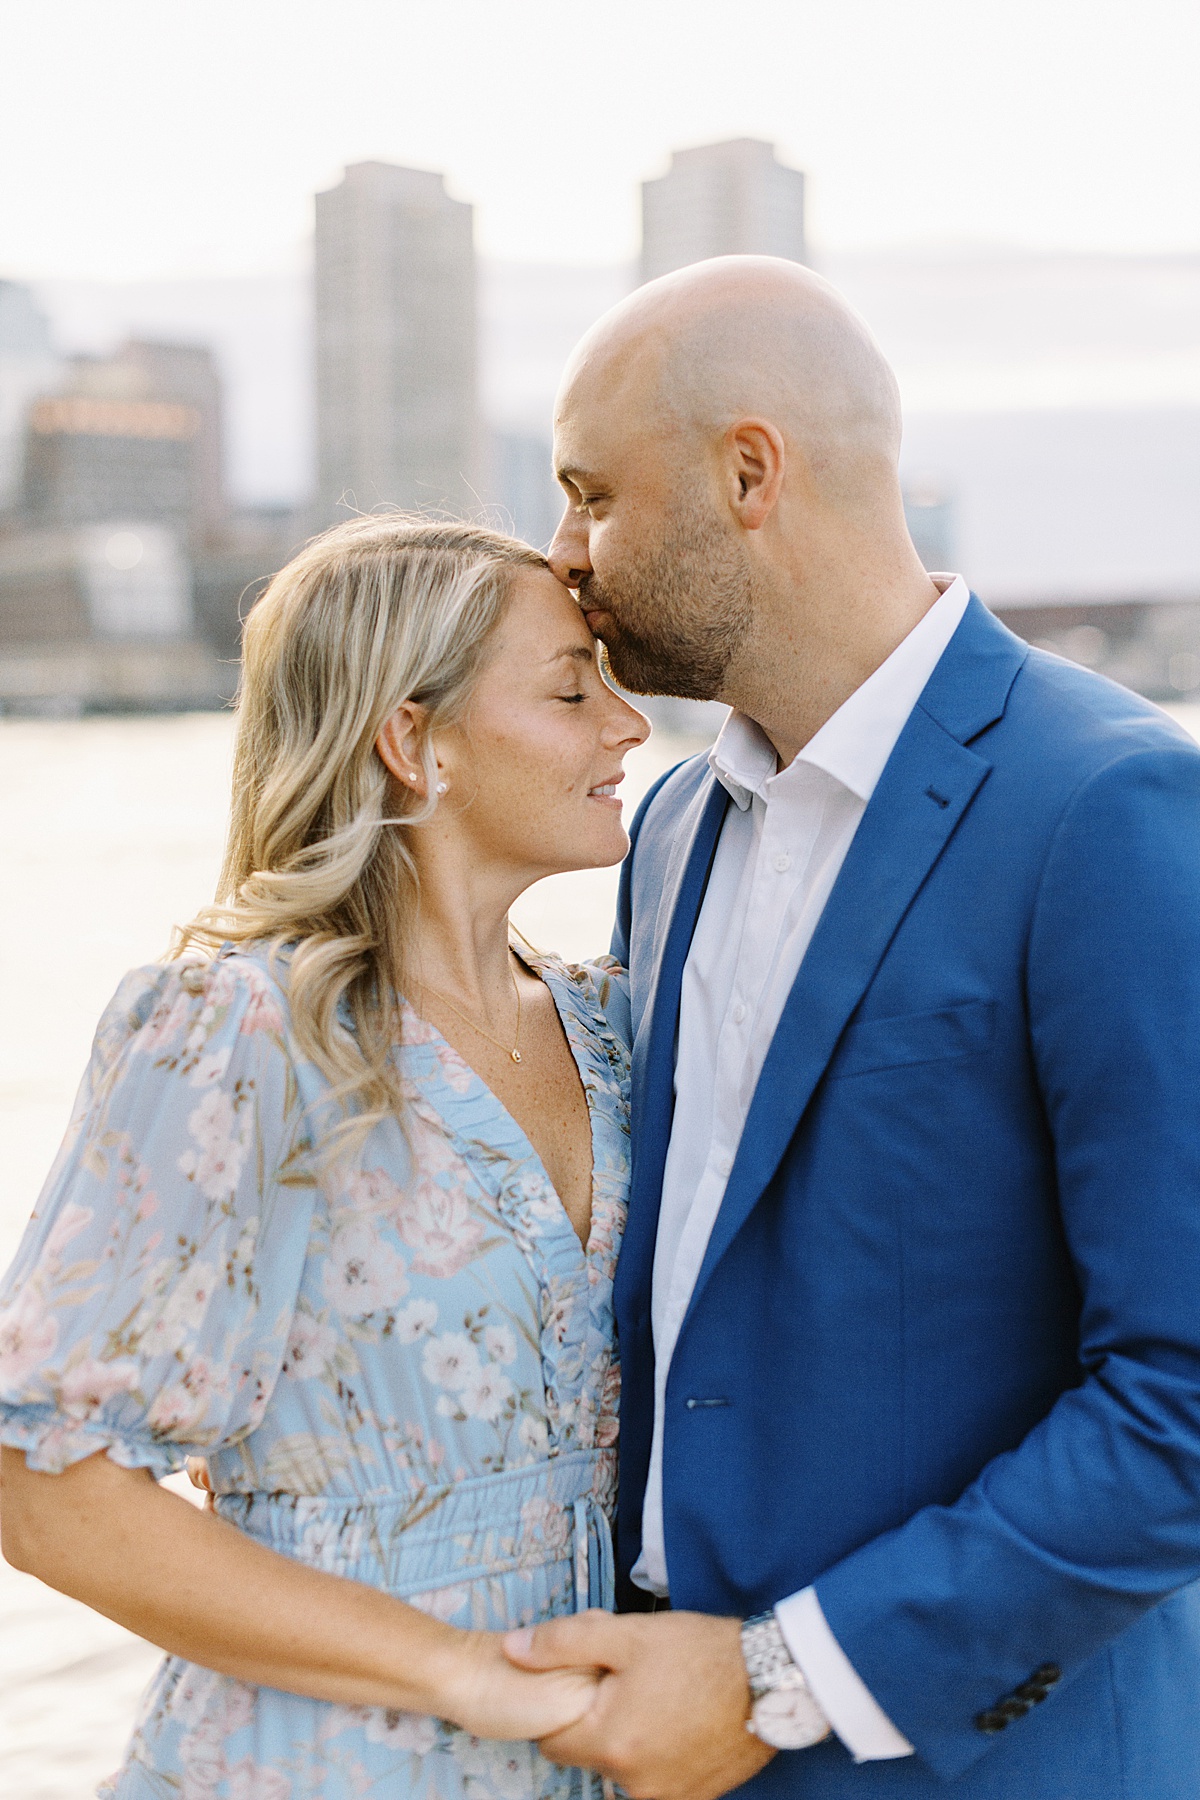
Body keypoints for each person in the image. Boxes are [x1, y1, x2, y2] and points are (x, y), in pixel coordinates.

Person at [501, 256, 1200, 1800]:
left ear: (750, 472)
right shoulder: (672, 830)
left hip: (980, 1761)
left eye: (591, 496)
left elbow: (1185, 1401)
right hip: (653, 1744)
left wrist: (775, 1686)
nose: (563, 557)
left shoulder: (1108, 807)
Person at [0, 516, 649, 1800]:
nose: (629, 726)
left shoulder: (620, 1028)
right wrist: (463, 1675)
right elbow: (47, 1484)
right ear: (413, 742)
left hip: (602, 1758)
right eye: (574, 688)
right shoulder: (233, 1033)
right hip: (315, 1762)